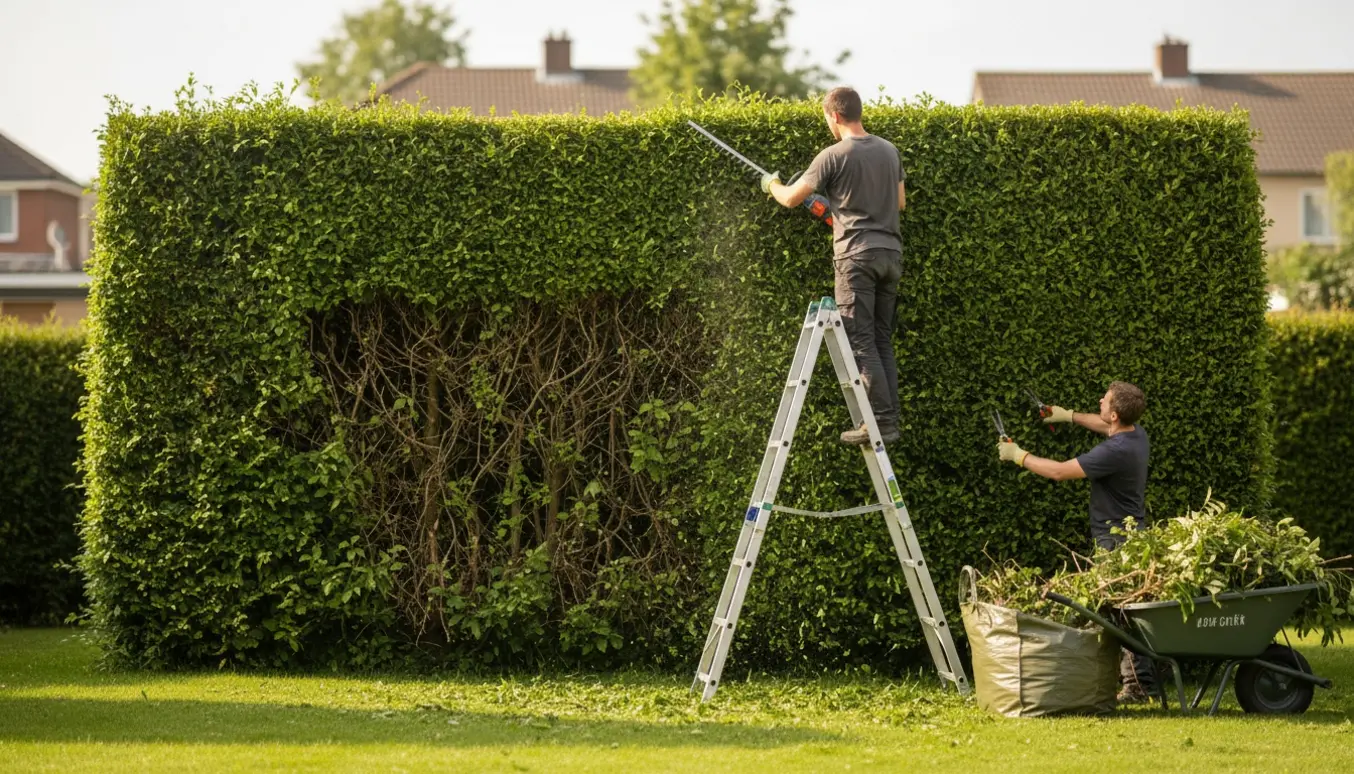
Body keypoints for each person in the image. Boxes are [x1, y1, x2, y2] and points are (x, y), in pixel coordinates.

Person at [995, 380, 1157, 703]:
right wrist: (1067, 416)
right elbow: (1101, 423)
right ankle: (1141, 683)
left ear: (1115, 415)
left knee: (1120, 613)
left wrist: (1018, 455)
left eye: (1105, 401)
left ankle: (1139, 687)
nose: (1100, 401)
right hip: (1132, 535)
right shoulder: (1135, 434)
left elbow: (1058, 472)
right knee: (1127, 610)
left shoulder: (1114, 451)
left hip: (1116, 543)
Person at [762, 86, 907, 446]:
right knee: (881, 339)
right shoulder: (889, 151)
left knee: (861, 342)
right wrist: (836, 207)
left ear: (835, 116)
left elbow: (792, 198)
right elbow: (900, 203)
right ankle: (888, 420)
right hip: (891, 254)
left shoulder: (832, 154)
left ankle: (882, 425)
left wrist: (772, 184)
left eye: (827, 117)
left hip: (855, 258)